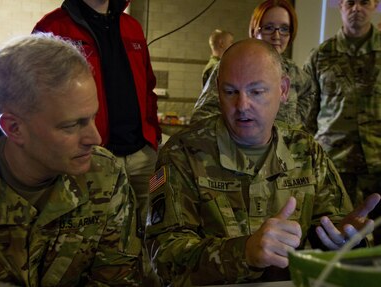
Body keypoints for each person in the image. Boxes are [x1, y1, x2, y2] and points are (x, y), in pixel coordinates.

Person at [145, 38, 381, 286]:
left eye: (256, 91)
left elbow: (334, 230)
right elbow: (164, 257)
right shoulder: (182, 153)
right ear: (217, 89)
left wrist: (344, 240)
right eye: (230, 92)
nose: (242, 105)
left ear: (283, 90)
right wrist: (244, 252)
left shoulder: (307, 152)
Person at [0, 33, 142, 286]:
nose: (94, 138)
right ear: (15, 128)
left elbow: (118, 279)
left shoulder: (105, 175)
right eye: (72, 125)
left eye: (93, 117)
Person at [33, 0, 161, 232]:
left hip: (143, 156)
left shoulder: (132, 27)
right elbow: (39, 99)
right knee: (92, 233)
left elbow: (147, 88)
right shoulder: (53, 27)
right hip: (90, 156)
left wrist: (153, 138)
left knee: (151, 228)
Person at [303, 0, 381, 243]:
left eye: (364, 2)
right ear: (340, 5)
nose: (356, 8)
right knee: (332, 243)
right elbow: (306, 116)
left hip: (378, 169)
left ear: (375, 4)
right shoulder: (320, 55)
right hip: (333, 169)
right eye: (350, 2)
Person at [192, 0, 316, 131]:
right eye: (269, 28)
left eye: (284, 29)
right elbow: (201, 119)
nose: (277, 36)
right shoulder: (233, 65)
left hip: (284, 150)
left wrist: (293, 131)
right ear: (254, 31)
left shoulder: (296, 74)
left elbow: (310, 103)